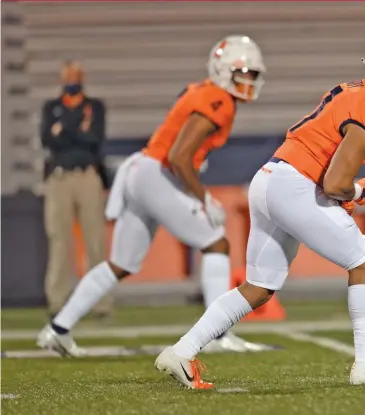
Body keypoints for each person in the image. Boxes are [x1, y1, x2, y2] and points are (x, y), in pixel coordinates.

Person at [154, 30, 365, 389]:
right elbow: (335, 183)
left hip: (270, 177)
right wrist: (355, 190)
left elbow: (328, 170)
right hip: (294, 184)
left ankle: (181, 351)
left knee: (258, 287)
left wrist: (345, 191)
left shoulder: (355, 91)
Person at [36, 35, 267, 356]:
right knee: (217, 243)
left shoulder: (205, 92)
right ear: (223, 70)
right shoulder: (218, 100)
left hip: (143, 171)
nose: (250, 80)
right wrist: (203, 198)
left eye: (253, 74)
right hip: (156, 174)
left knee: (120, 263)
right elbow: (179, 156)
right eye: (245, 72)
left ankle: (57, 329)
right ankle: (218, 335)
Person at [40, 60, 112, 320]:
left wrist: (64, 130)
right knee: (59, 240)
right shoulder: (52, 107)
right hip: (59, 178)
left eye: (75, 75)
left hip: (87, 175)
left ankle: (101, 303)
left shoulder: (95, 107)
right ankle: (57, 301)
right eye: (67, 75)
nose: (72, 79)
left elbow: (95, 139)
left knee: (95, 241)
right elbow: (47, 139)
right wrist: (76, 128)